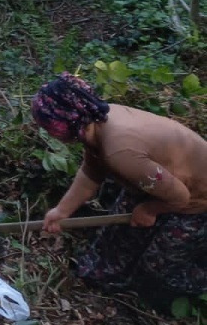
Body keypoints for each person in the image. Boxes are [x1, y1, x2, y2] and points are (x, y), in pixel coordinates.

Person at [33, 74, 207, 308]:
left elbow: (180, 196)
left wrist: (149, 208)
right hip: (157, 180)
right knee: (116, 236)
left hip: (195, 199)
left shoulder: (119, 151)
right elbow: (90, 172)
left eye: (50, 128)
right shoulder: (97, 119)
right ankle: (104, 278)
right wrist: (62, 211)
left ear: (65, 124)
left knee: (157, 269)